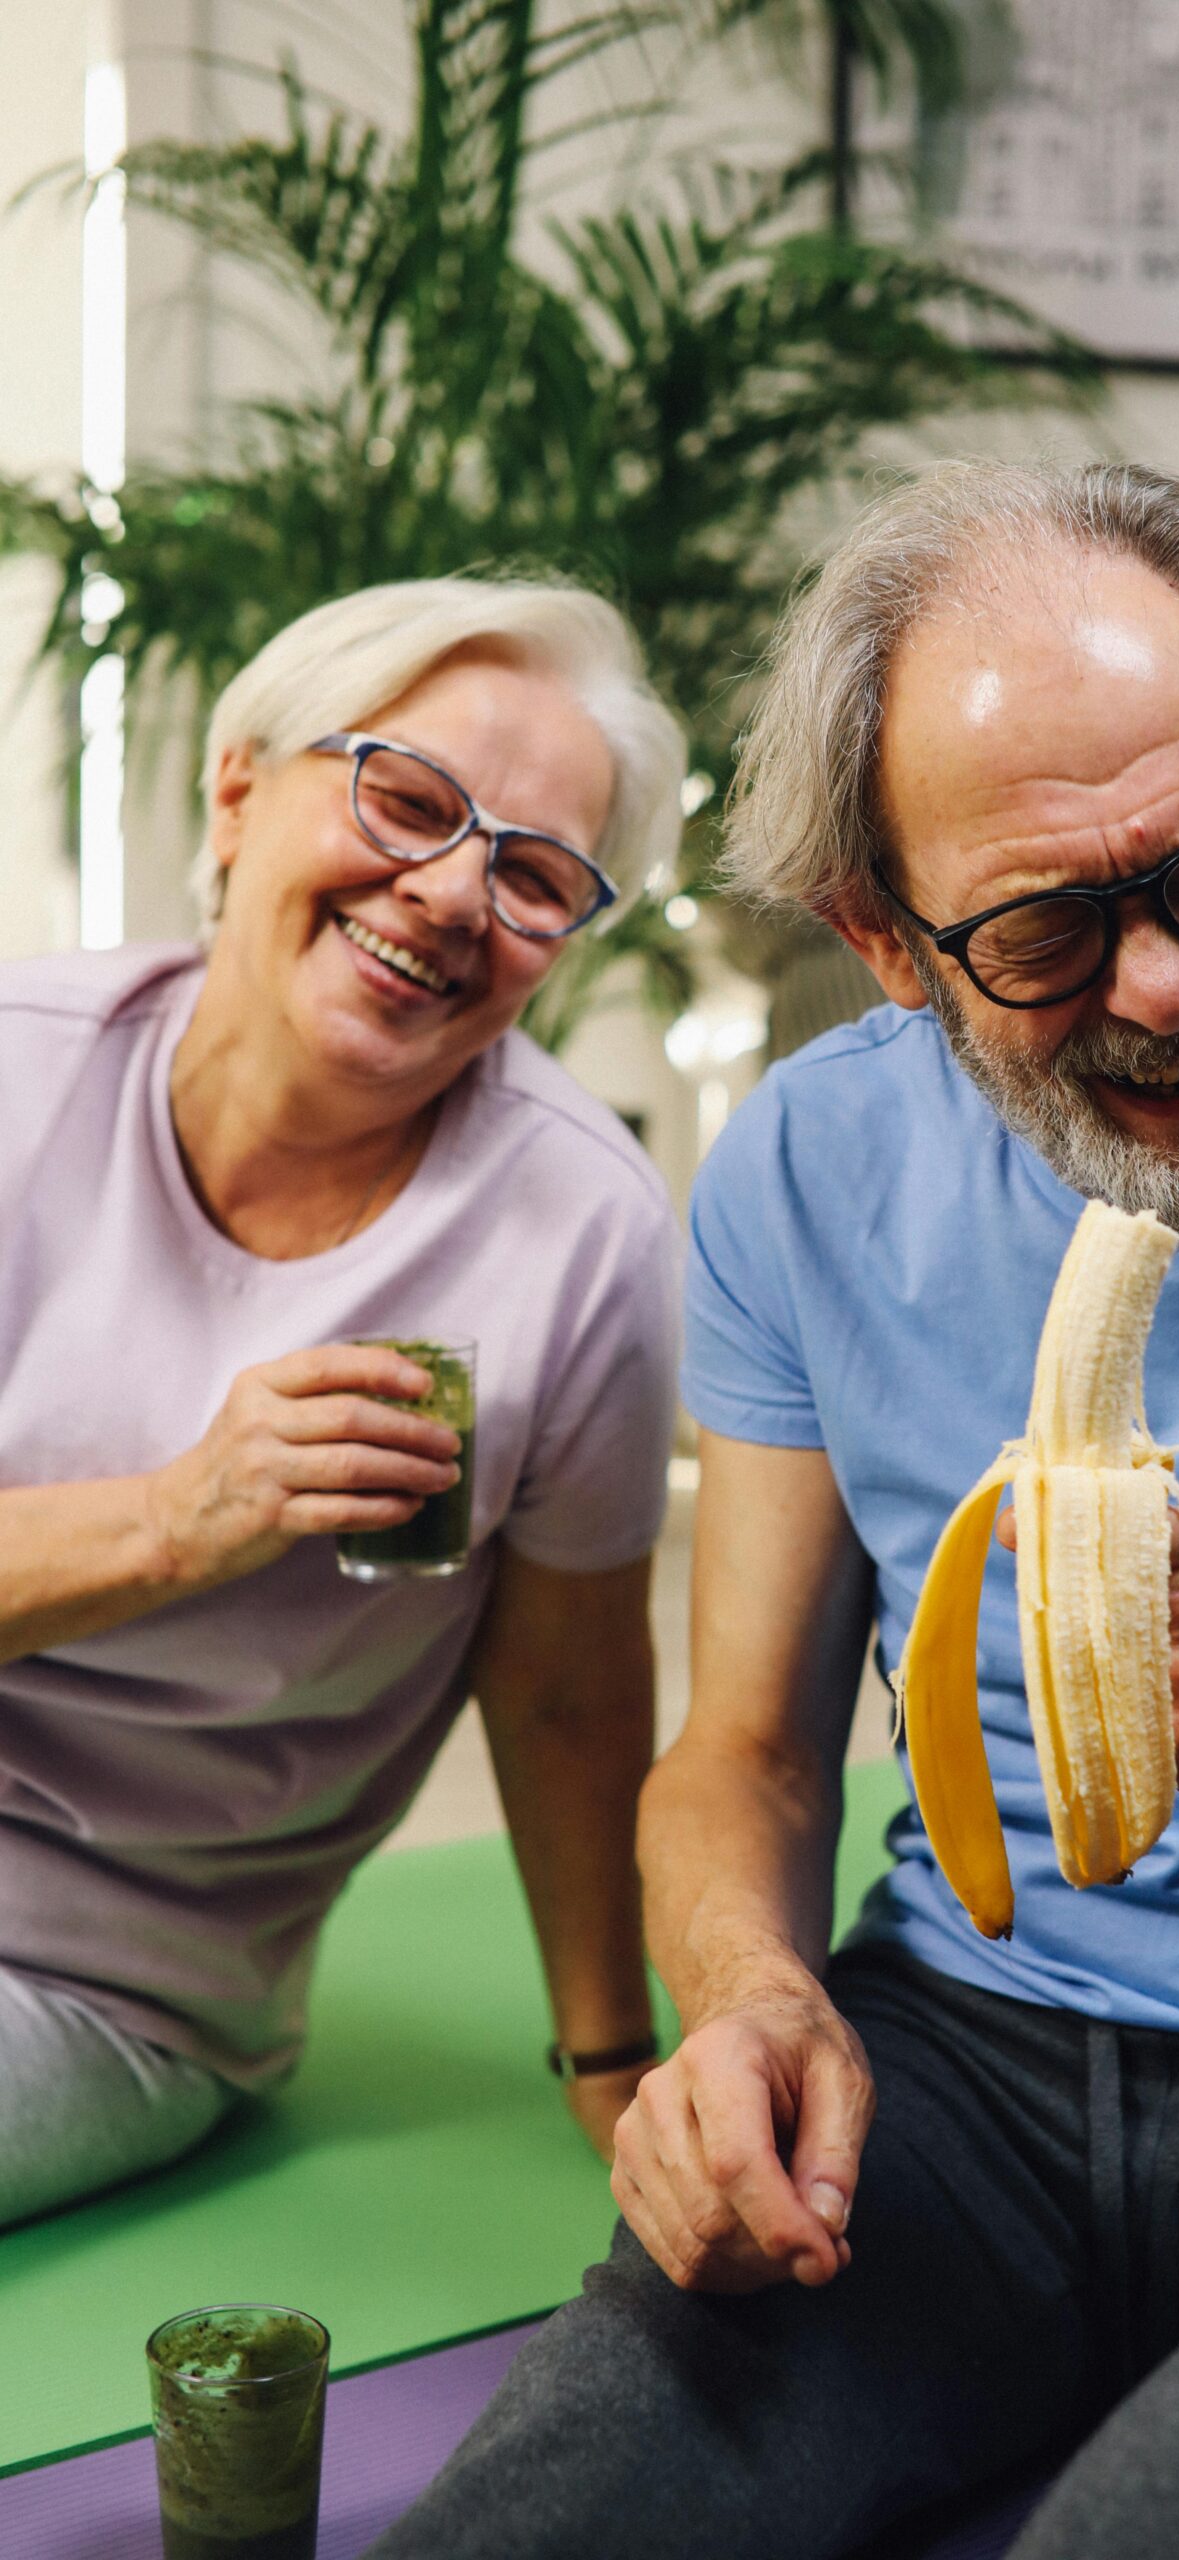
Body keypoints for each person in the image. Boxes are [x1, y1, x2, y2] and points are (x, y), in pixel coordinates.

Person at [368, 465, 1179, 2560]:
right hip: (969, 2059)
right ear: (882, 939)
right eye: (1047, 927)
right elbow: (743, 1747)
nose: (1164, 986)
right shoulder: (807, 1173)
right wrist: (744, 2000)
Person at [0, 575, 685, 2226]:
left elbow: (569, 1699)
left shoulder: (579, 1238)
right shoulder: (20, 1072)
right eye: (408, 798)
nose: (454, 892)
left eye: (536, 875)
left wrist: (609, 2069)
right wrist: (179, 1518)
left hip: (103, 1981)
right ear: (238, 789)